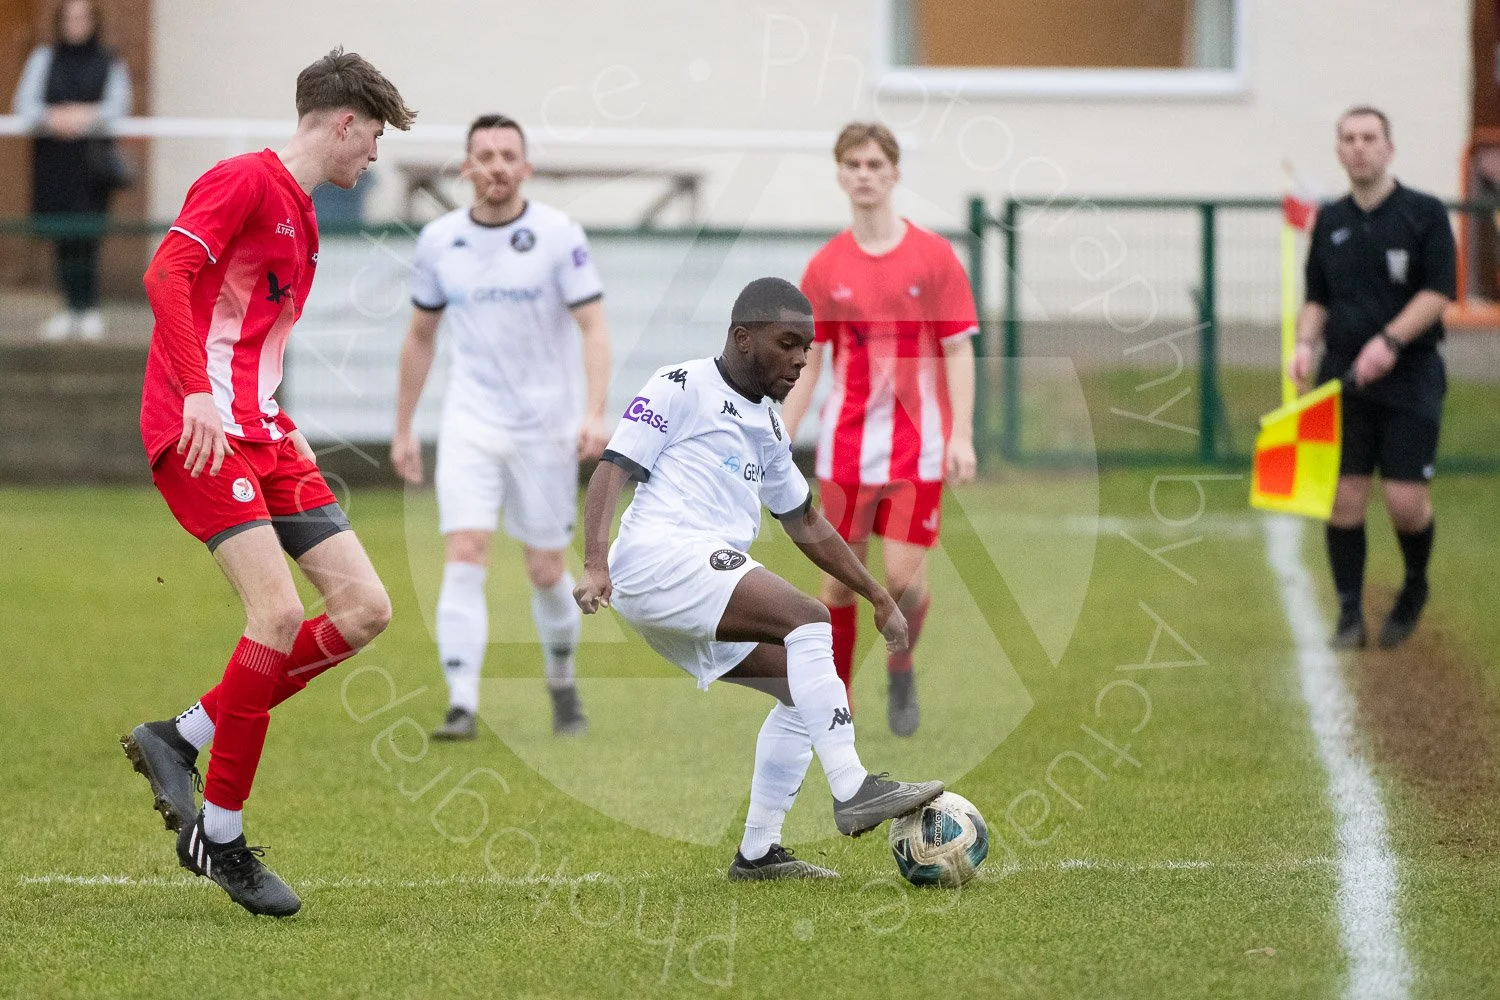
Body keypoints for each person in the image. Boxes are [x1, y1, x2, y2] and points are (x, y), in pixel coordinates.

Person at [118, 48, 416, 917]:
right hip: (198, 431)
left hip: (268, 435)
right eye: (373, 140)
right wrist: (202, 395)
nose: (374, 158)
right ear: (342, 123)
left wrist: (255, 407)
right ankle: (221, 833)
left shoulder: (304, 215)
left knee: (364, 609)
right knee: (279, 616)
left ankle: (183, 735)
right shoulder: (243, 179)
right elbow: (164, 274)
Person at [574, 277, 944, 881]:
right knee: (810, 619)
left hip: (690, 583)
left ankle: (757, 854)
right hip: (659, 558)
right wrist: (595, 563)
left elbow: (805, 521)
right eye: (788, 344)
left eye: (807, 347)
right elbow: (613, 469)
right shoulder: (680, 385)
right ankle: (853, 789)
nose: (801, 361)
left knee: (802, 690)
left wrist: (878, 593)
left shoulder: (770, 427)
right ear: (744, 339)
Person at [391, 114, 610, 741]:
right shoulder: (438, 240)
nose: (495, 166)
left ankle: (562, 682)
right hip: (471, 421)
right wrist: (403, 427)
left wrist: (594, 412)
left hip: (546, 427)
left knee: (546, 567)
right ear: (466, 167)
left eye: (507, 155)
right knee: (465, 552)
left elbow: (594, 326)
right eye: (483, 155)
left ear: (525, 167)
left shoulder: (557, 234)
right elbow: (421, 337)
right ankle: (461, 702)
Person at [779, 122, 978, 737]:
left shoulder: (934, 256)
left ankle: (901, 664)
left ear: (894, 174)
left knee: (900, 582)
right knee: (838, 587)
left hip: (916, 450)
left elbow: (958, 349)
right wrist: (780, 431)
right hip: (845, 449)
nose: (864, 174)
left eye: (875, 164)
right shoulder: (825, 267)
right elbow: (811, 363)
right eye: (853, 164)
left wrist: (962, 435)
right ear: (840, 175)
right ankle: (839, 702)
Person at [1290, 106, 1457, 649]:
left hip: (1410, 378)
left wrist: (1389, 343)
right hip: (1341, 380)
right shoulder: (1330, 221)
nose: (1359, 147)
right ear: (1339, 150)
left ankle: (1413, 586)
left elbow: (1437, 293)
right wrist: (1303, 344)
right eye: (1349, 139)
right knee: (1344, 497)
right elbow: (1317, 296)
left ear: (1389, 148)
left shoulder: (1424, 214)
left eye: (1369, 138)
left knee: (1406, 503)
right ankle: (1348, 614)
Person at [11, 0, 132, 341]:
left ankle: (88, 308)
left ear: (93, 21)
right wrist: (53, 118)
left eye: (82, 17)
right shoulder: (43, 58)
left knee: (88, 236)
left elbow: (118, 105)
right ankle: (69, 307)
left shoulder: (109, 60)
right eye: (70, 17)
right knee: (62, 236)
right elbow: (25, 104)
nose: (76, 23)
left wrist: (83, 116)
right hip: (54, 163)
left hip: (92, 166)